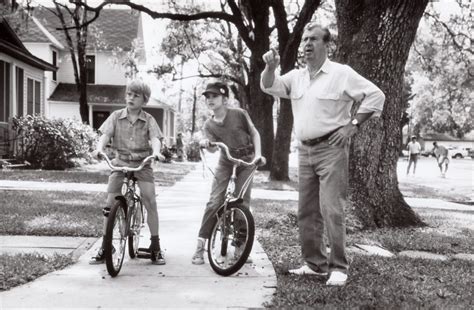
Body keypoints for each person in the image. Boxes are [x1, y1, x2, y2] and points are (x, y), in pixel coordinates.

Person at [260, 23, 385, 286]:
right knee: (306, 211)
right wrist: (270, 67)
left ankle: (338, 267)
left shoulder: (341, 73)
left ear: (326, 45)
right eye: (304, 39)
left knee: (331, 209)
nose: (306, 44)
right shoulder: (296, 77)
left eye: (313, 39)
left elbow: (375, 96)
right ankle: (314, 264)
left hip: (332, 150)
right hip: (304, 151)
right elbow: (270, 87)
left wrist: (352, 126)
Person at [90, 79, 166, 265]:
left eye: (136, 95)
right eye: (129, 94)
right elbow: (105, 135)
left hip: (142, 163)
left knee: (150, 200)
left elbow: (155, 138)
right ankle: (106, 246)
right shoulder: (116, 116)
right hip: (121, 162)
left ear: (144, 101)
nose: (131, 98)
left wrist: (156, 152)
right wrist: (99, 149)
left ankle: (155, 245)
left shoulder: (148, 119)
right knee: (109, 205)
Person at [191, 81, 265, 265]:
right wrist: (205, 143)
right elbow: (213, 149)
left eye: (214, 96)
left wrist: (258, 155)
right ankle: (201, 246)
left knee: (242, 202)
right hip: (226, 160)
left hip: (247, 159)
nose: (210, 99)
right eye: (207, 97)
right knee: (215, 200)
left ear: (225, 99)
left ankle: (241, 247)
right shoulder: (209, 125)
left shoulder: (238, 114)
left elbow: (254, 133)